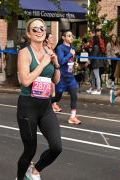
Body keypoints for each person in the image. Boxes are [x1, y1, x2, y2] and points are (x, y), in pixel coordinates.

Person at [16, 18, 62, 180]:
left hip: (45, 106)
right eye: (35, 29)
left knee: (57, 147)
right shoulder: (24, 53)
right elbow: (25, 81)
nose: (40, 31)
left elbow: (55, 80)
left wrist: (55, 64)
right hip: (28, 105)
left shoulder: (49, 51)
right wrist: (42, 64)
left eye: (42, 28)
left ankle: (35, 170)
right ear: (28, 33)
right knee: (30, 150)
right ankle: (20, 178)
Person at [51, 30, 82, 125]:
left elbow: (70, 61)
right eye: (69, 36)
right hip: (61, 77)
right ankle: (49, 103)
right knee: (57, 96)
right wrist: (70, 54)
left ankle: (72, 117)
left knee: (74, 95)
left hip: (70, 77)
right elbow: (60, 61)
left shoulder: (72, 48)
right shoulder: (60, 48)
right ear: (63, 38)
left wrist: (75, 64)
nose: (71, 37)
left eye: (72, 36)